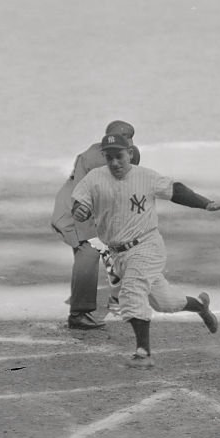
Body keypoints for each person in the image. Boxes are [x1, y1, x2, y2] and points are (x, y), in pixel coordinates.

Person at [70, 133, 220, 368]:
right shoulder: (94, 178)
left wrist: (207, 203)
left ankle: (143, 353)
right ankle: (200, 306)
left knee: (132, 291)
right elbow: (79, 203)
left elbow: (175, 190)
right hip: (118, 254)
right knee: (165, 302)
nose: (115, 162)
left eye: (120, 156)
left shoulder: (146, 177)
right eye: (109, 157)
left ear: (130, 153)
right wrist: (79, 211)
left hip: (146, 246)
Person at [51, 120, 141, 330]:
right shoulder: (91, 158)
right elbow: (81, 194)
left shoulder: (128, 154)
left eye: (129, 139)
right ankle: (78, 314)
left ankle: (118, 299)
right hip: (75, 208)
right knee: (89, 252)